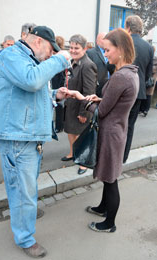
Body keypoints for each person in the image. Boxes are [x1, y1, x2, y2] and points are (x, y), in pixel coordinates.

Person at [0, 25, 70, 258]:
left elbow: (32, 91)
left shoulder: (26, 60)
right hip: (17, 138)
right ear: (37, 42)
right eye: (50, 49)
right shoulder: (11, 55)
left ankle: (24, 218)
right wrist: (61, 60)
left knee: (25, 188)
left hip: (27, 137)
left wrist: (55, 95)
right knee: (22, 190)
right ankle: (25, 238)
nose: (51, 54)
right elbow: (31, 81)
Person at [62, 28, 139, 232]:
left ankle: (109, 223)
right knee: (108, 176)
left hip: (111, 133)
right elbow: (114, 102)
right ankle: (102, 208)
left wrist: (82, 98)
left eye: (107, 50)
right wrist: (100, 98)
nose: (104, 54)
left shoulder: (121, 76)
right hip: (117, 131)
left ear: (120, 49)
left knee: (111, 179)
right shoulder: (131, 72)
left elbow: (102, 112)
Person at [61, 34, 97, 175]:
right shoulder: (73, 62)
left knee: (81, 135)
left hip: (80, 107)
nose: (73, 50)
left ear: (85, 48)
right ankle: (72, 153)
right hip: (70, 105)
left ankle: (84, 162)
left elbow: (89, 92)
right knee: (71, 131)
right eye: (71, 47)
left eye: (77, 48)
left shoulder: (88, 65)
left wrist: (84, 112)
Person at [124, 15, 154, 162]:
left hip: (122, 89)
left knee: (118, 123)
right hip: (139, 90)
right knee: (130, 126)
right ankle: (124, 156)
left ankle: (116, 155)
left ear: (128, 27)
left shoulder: (124, 42)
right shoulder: (148, 47)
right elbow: (148, 74)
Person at [86, 32, 109, 97]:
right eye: (104, 39)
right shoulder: (90, 53)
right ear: (97, 41)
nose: (106, 41)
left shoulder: (110, 52)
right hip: (96, 90)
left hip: (108, 88)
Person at [51, 36, 65, 133]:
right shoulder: (61, 54)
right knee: (59, 108)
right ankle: (59, 126)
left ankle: (59, 127)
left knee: (59, 107)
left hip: (57, 84)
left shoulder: (59, 55)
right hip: (58, 83)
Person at [139, 46, 157, 116]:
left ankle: (143, 109)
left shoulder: (146, 57)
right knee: (148, 94)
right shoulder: (154, 59)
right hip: (152, 79)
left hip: (147, 78)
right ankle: (145, 109)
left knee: (144, 94)